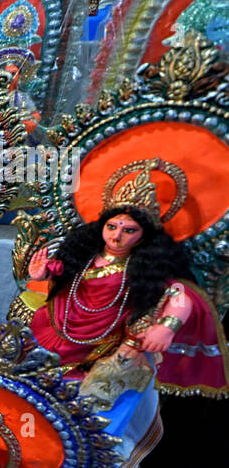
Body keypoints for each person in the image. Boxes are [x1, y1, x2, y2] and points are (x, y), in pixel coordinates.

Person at [26, 167, 229, 399]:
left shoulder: (143, 267)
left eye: (129, 230)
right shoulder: (84, 255)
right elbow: (61, 271)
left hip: (100, 343)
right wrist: (42, 274)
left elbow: (181, 294)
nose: (117, 236)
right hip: (52, 328)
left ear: (143, 235)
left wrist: (166, 326)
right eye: (112, 227)